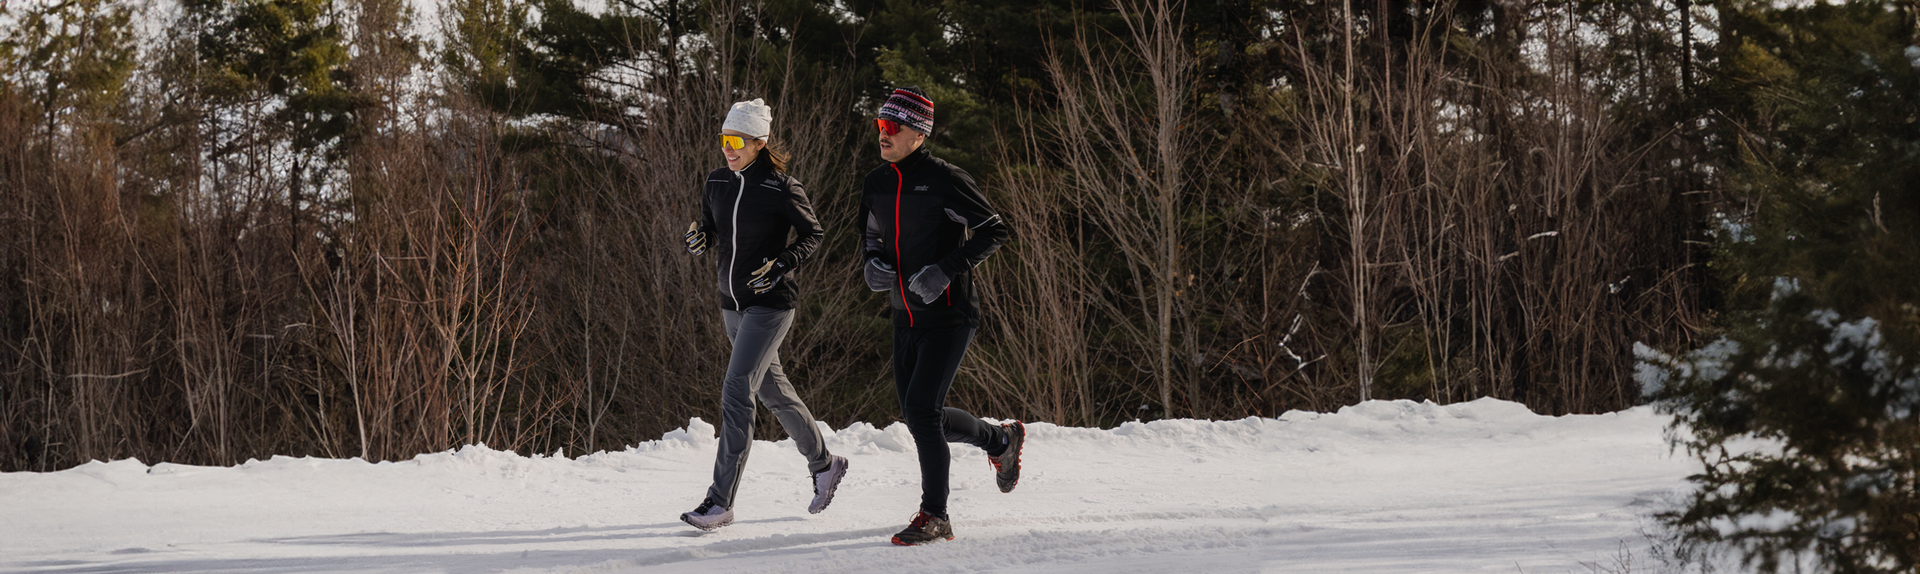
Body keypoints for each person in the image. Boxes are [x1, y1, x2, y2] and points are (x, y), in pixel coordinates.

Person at [858, 86, 1026, 546]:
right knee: (920, 416)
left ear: (918, 134)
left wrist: (944, 270)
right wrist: (872, 263)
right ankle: (1000, 440)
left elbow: (994, 231)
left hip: (950, 314)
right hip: (903, 314)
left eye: (893, 127)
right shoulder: (876, 182)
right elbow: (870, 236)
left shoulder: (945, 179)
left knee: (921, 411)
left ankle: (935, 515)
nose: (883, 134)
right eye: (880, 125)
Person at [680, 98, 848, 531]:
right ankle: (824, 464)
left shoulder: (781, 187)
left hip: (771, 304)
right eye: (724, 139)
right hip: (731, 304)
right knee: (773, 392)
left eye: (737, 141)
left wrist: (783, 263)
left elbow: (813, 234)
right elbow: (711, 225)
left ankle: (720, 502)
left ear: (759, 142)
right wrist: (700, 237)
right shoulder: (716, 181)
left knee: (737, 389)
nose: (728, 148)